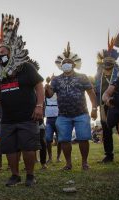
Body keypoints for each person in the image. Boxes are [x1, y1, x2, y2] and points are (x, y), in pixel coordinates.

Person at [0, 14, 44, 187]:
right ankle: (15, 175)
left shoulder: (26, 67)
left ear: (11, 51)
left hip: (27, 115)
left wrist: (39, 106)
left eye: (3, 51)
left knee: (28, 147)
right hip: (7, 118)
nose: (1, 54)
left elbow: (39, 85)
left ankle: (30, 175)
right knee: (8, 147)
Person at [45, 43, 97, 171]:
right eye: (63, 63)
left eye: (68, 62)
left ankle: (85, 163)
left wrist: (94, 108)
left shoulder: (82, 77)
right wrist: (47, 89)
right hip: (63, 115)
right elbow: (50, 94)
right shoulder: (56, 79)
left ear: (74, 64)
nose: (65, 64)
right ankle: (68, 164)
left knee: (83, 138)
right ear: (61, 66)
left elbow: (91, 93)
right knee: (64, 140)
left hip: (81, 113)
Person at [94, 35, 119, 163]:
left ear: (114, 62)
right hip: (103, 106)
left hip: (117, 105)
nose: (107, 62)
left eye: (110, 60)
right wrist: (95, 107)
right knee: (106, 130)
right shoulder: (98, 75)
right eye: (106, 60)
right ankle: (109, 155)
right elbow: (95, 90)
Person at [44, 77, 62, 164]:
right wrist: (47, 82)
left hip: (58, 118)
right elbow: (44, 88)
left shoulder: (58, 91)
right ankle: (50, 157)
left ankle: (58, 157)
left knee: (60, 139)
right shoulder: (46, 92)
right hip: (49, 119)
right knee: (48, 139)